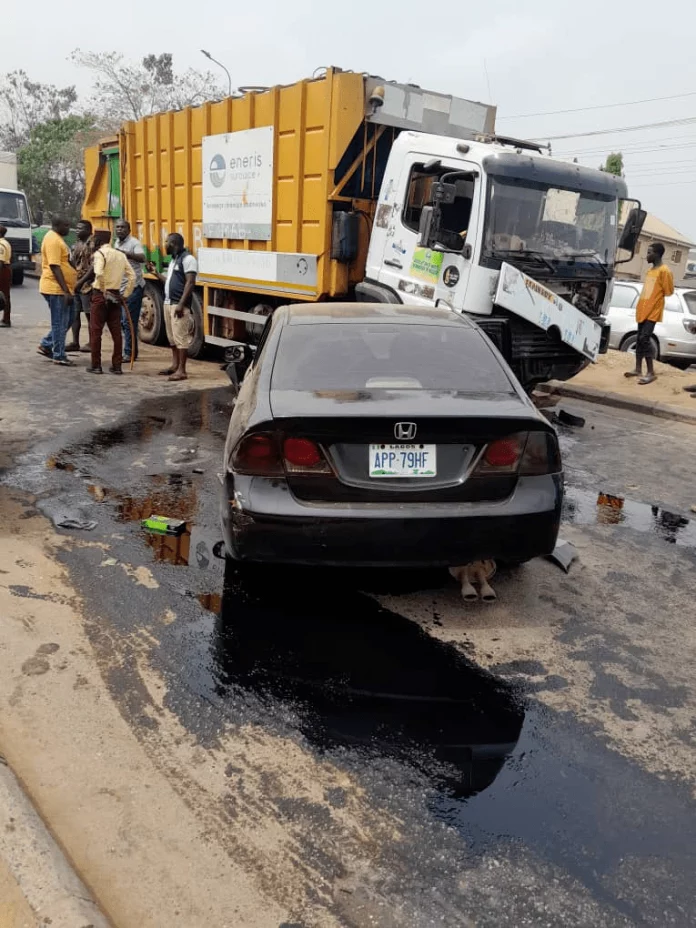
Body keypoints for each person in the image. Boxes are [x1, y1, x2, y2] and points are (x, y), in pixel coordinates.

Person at [146, 233, 197, 382]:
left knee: (181, 337)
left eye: (166, 242)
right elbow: (168, 281)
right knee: (172, 337)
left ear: (174, 243)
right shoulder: (174, 260)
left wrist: (181, 304)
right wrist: (156, 274)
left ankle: (182, 370)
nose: (164, 245)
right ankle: (175, 365)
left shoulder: (188, 259)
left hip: (177, 304)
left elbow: (190, 283)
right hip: (169, 303)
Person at [624, 242, 674, 386]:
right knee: (639, 339)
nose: (647, 255)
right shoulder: (650, 271)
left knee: (645, 339)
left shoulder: (664, 271)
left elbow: (669, 291)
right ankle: (638, 369)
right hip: (643, 309)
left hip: (653, 311)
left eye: (649, 252)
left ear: (657, 254)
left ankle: (651, 372)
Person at [88, 230, 135, 375]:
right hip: (115, 295)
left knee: (96, 331)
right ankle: (117, 366)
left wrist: (103, 291)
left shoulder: (99, 254)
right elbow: (132, 276)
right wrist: (125, 295)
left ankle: (96, 365)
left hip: (100, 295)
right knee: (116, 332)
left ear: (97, 240)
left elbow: (99, 273)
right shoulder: (120, 255)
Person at [37, 217, 76, 366]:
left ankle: (46, 344)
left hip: (63, 288)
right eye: (66, 225)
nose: (68, 227)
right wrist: (65, 290)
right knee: (60, 322)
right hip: (56, 288)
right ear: (57, 225)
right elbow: (54, 266)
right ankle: (59, 355)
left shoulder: (58, 238)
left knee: (70, 317)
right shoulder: (53, 240)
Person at [114, 219, 146, 363]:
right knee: (123, 321)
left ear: (129, 230)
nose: (119, 229)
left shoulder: (134, 243)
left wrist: (125, 254)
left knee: (129, 322)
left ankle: (130, 353)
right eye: (117, 227)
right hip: (121, 288)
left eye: (122, 227)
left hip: (133, 288)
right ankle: (131, 350)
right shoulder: (116, 243)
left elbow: (142, 258)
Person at [65, 220, 93, 352]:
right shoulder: (75, 245)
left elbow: (93, 268)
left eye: (80, 228)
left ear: (88, 230)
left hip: (88, 284)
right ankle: (75, 342)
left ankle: (92, 342)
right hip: (76, 284)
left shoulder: (93, 245)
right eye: (76, 228)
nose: (77, 230)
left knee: (90, 315)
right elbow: (72, 263)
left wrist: (81, 282)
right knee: (75, 314)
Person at [0, 225, 11, 327]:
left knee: (4, 295)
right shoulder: (6, 242)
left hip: (2, 270)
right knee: (5, 295)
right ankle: (5, 318)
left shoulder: (1, 245)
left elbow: (0, 261)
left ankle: (6, 320)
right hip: (6, 268)